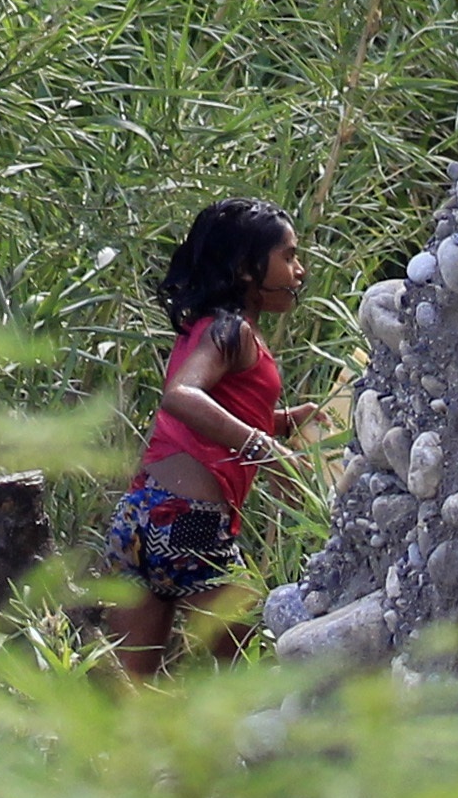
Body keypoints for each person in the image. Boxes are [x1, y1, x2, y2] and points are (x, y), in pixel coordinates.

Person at [99, 198, 317, 679]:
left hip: (139, 518)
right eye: (288, 256)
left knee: (128, 693)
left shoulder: (206, 329)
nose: (298, 271)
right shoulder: (230, 330)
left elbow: (217, 415)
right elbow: (181, 396)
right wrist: (264, 448)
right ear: (245, 269)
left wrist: (281, 423)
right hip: (190, 527)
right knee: (253, 675)